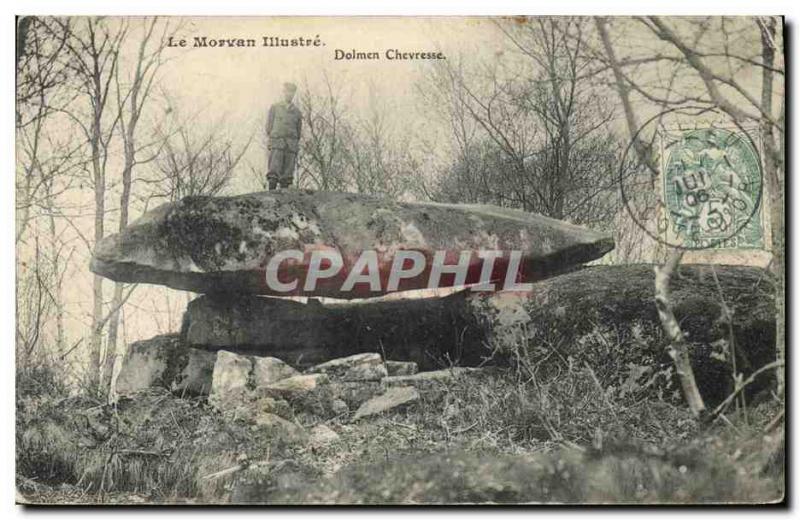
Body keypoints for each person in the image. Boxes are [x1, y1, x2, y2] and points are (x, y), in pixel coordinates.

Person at [266, 82, 302, 190]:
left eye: (292, 92)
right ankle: (271, 191)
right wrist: (274, 137)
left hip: (291, 144)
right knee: (274, 169)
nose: (289, 94)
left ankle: (284, 195)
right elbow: (269, 126)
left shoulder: (297, 112)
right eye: (287, 92)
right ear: (284, 92)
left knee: (288, 172)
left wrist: (293, 141)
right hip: (278, 141)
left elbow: (298, 130)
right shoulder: (275, 107)